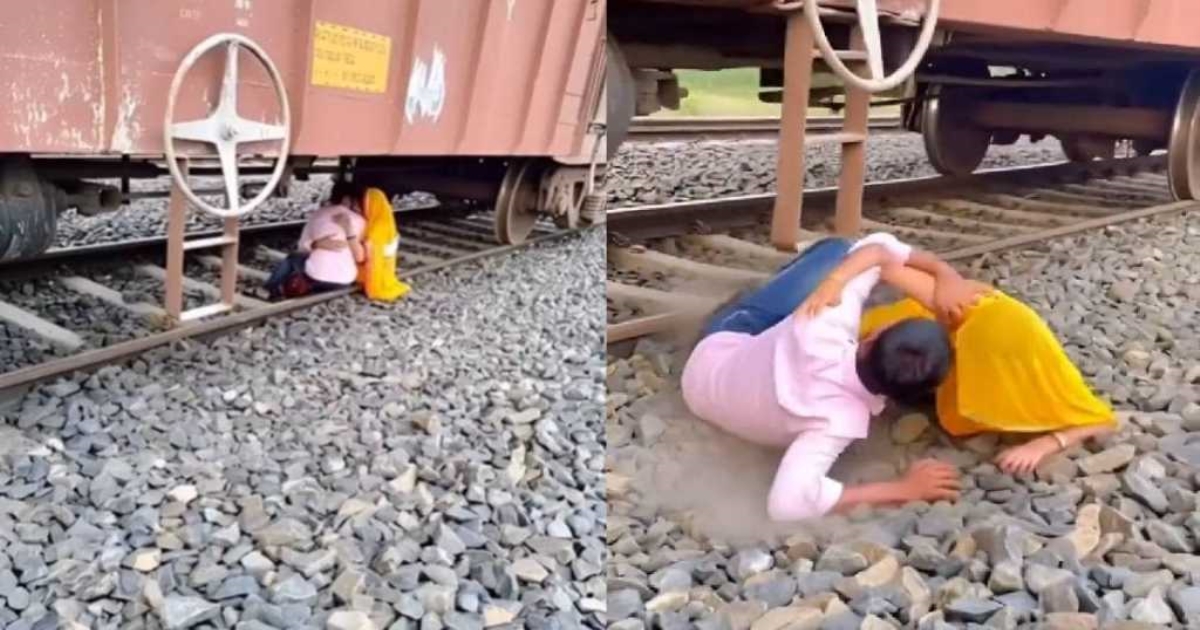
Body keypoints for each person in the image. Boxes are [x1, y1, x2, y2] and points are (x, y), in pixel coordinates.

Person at [681, 234, 969, 522]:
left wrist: (944, 273)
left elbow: (874, 247)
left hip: (713, 353)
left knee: (839, 249)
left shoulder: (823, 320)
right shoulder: (840, 423)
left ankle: (756, 297)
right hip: (702, 401)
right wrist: (902, 489)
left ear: (872, 337)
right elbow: (789, 505)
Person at [265, 181, 366, 299]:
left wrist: (315, 244)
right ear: (348, 199)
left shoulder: (318, 214)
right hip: (344, 282)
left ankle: (270, 288)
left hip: (315, 277)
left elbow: (302, 248)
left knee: (293, 258)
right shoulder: (361, 221)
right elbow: (360, 257)